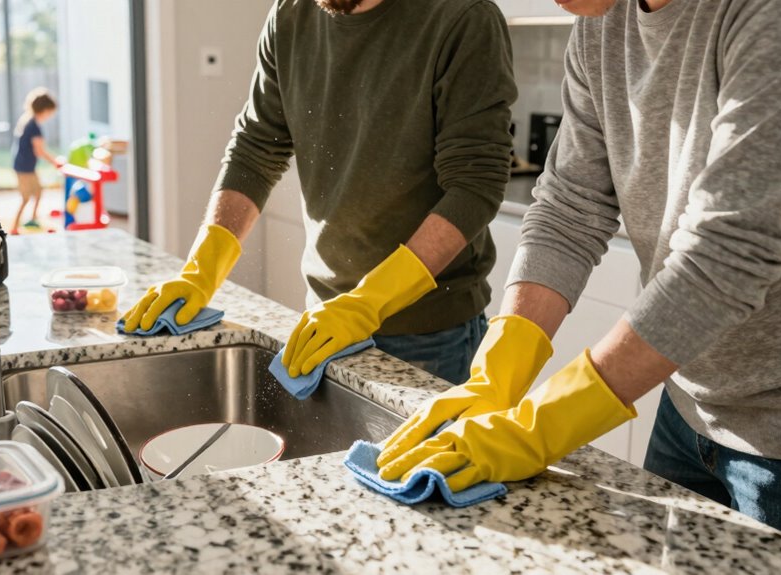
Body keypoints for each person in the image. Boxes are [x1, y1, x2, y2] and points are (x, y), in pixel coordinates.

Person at [377, 0, 781, 545]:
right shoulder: (601, 23)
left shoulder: (780, 11)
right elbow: (569, 206)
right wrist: (500, 369)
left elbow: (727, 252)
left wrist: (546, 423)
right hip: (684, 409)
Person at [121, 0, 517, 385]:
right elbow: (255, 151)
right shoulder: (291, 14)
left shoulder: (463, 17)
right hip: (324, 318)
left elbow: (473, 186)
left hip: (430, 335)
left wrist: (370, 301)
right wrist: (200, 272)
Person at [11, 88, 61, 235]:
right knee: (26, 197)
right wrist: (55, 161)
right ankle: (15, 226)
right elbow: (39, 150)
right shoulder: (33, 127)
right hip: (24, 168)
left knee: (38, 191)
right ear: (45, 110)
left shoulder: (27, 120)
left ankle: (33, 218)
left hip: (25, 166)